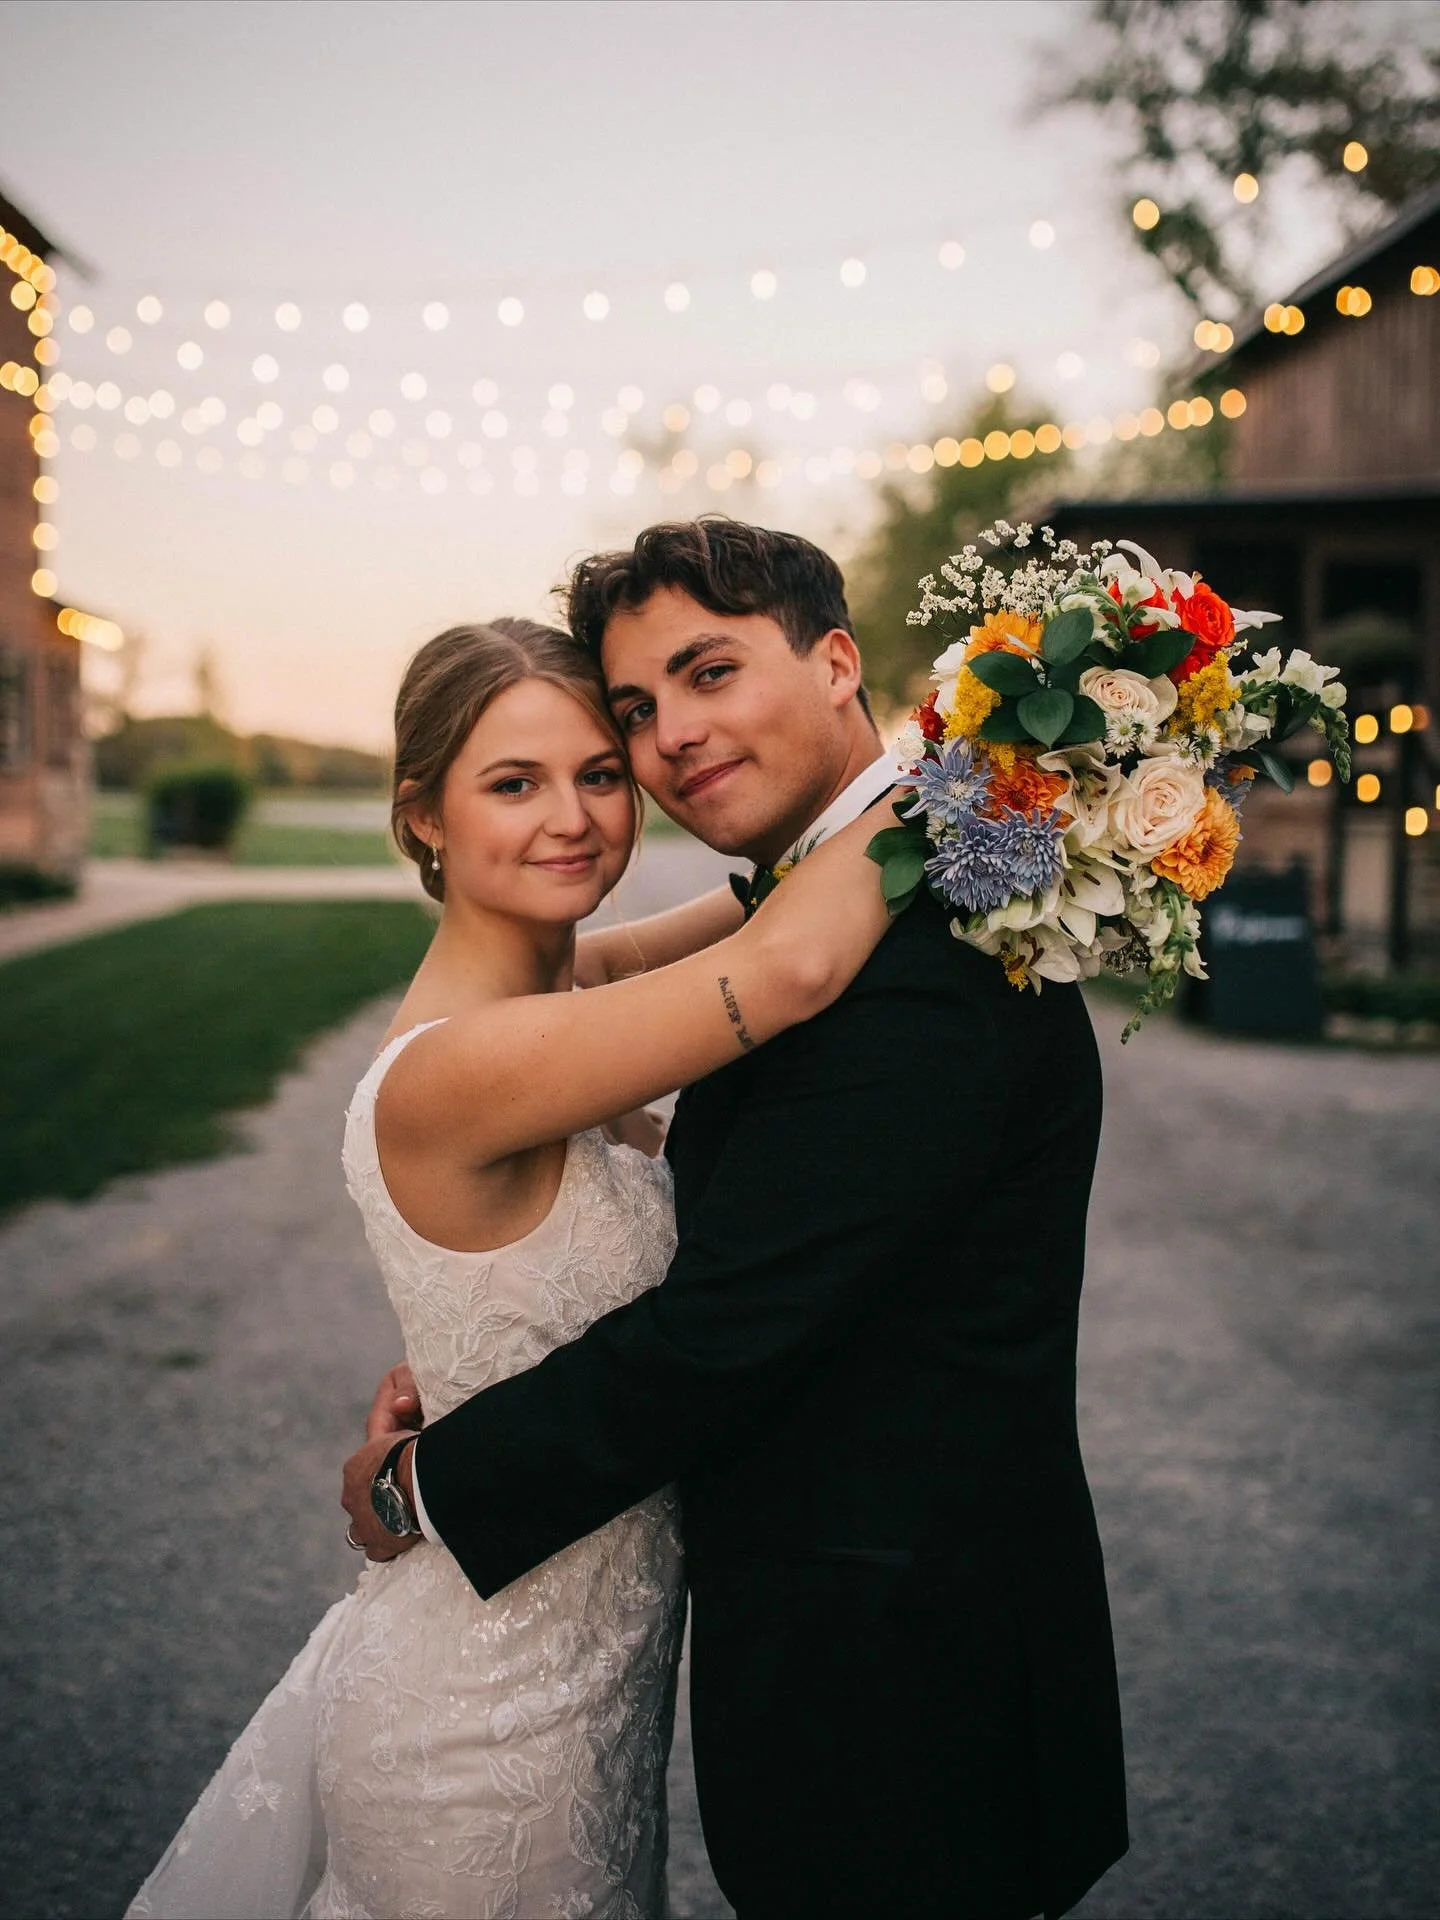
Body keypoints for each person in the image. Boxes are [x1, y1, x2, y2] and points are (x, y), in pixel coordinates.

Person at [344, 520, 1129, 1919]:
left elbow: (723, 1329)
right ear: (425, 815)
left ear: (836, 664)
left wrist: (431, 1480)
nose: (672, 738)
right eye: (638, 712)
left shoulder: (927, 950)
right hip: (759, 1674)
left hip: (905, 1693)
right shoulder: (867, 900)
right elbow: (755, 970)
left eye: (708, 675)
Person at [126, 613, 897, 1920]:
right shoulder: (463, 1065)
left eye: (599, 773)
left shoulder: (556, 998)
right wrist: (988, 767)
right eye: (513, 784)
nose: (573, 819)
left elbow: (751, 902)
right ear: (422, 816)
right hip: (481, 1728)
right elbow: (793, 958)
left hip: (591, 1712)